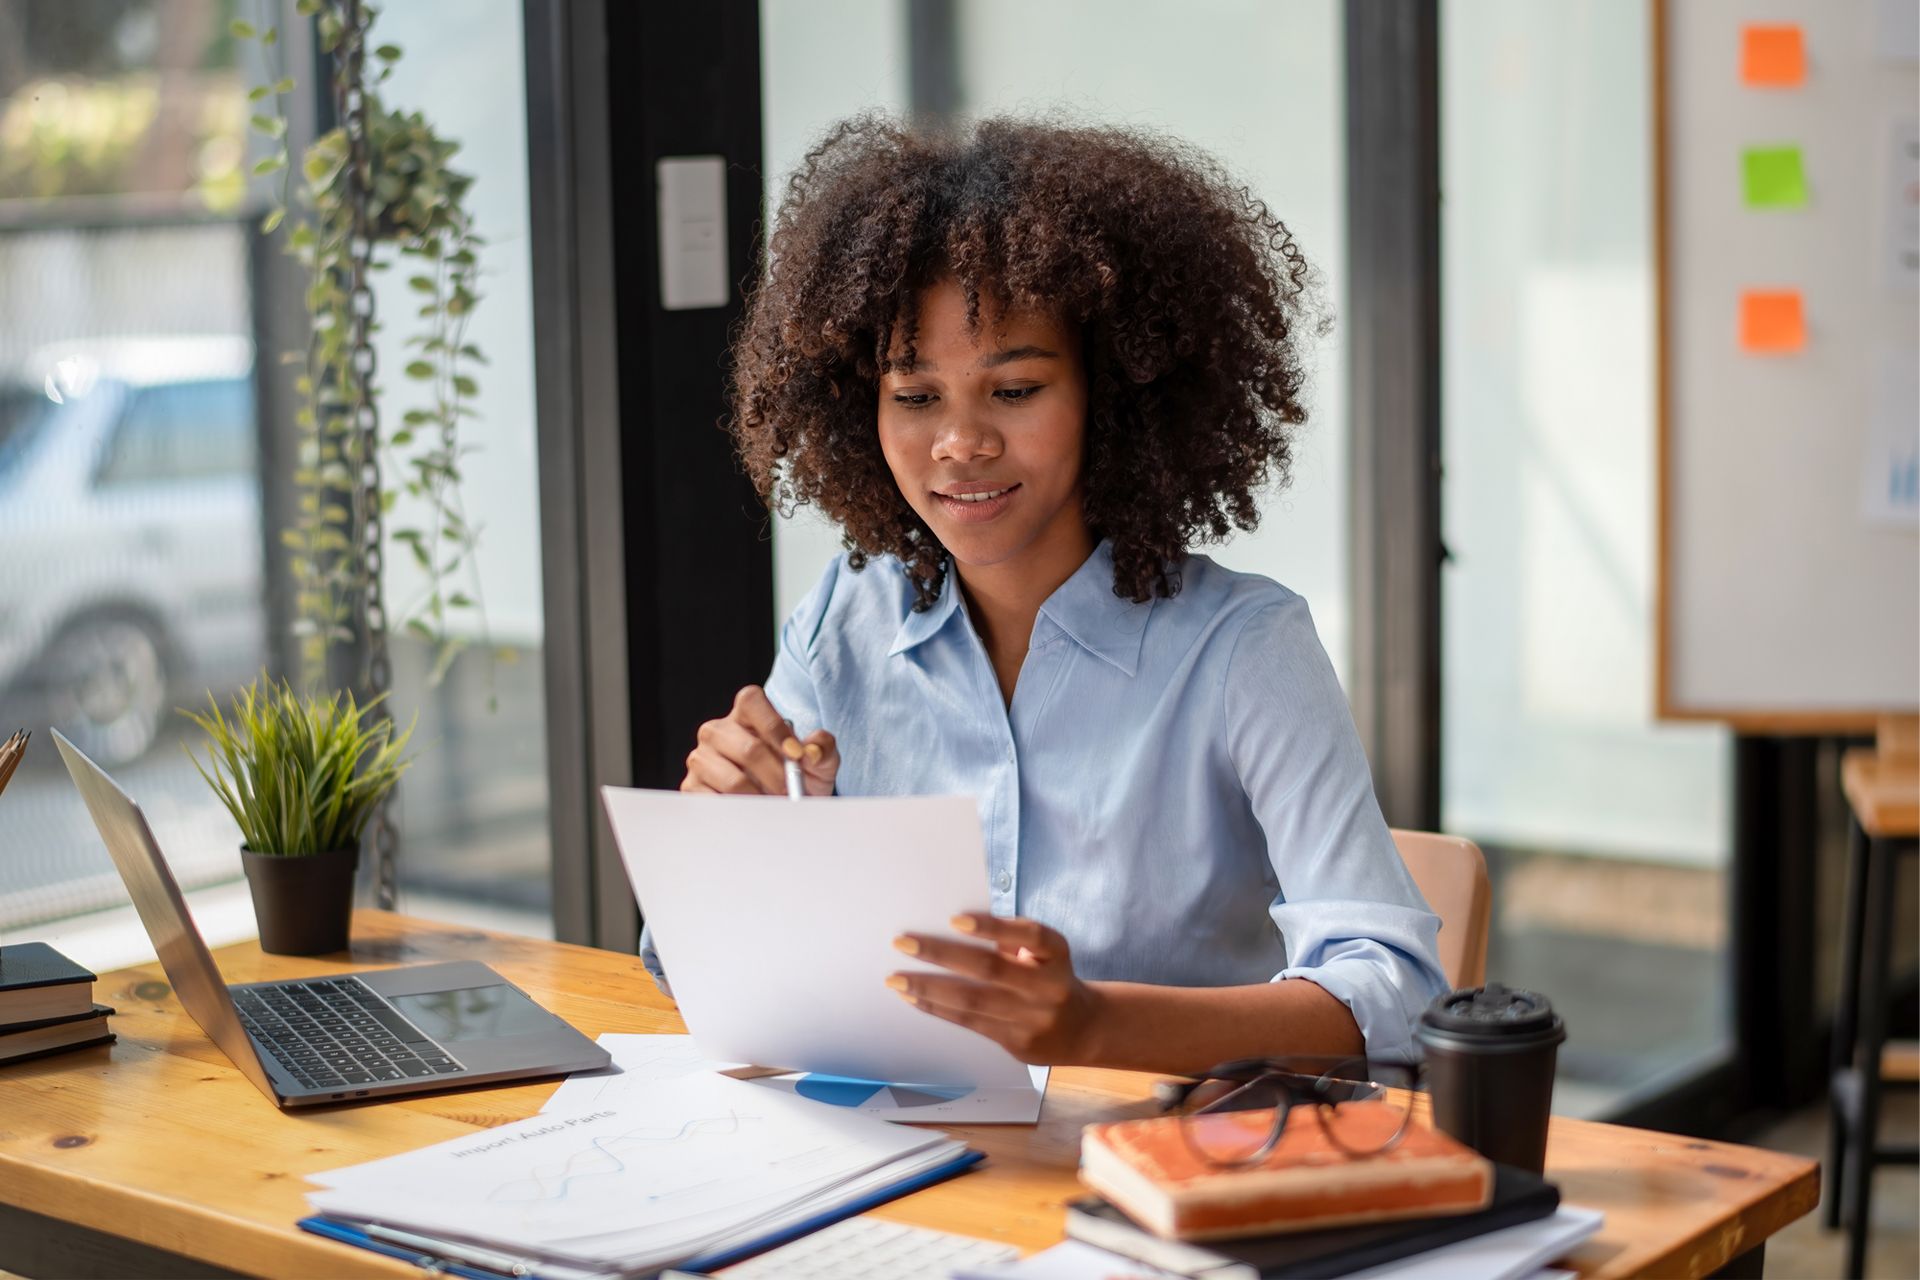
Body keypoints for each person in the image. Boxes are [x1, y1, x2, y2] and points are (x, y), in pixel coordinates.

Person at [660, 114, 1448, 1076]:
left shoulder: (1245, 648)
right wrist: (732, 837)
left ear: (1112, 395)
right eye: (915, 398)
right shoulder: (846, 617)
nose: (960, 443)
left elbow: (1398, 992)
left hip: (1152, 1175)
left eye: (1016, 390)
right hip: (907, 1161)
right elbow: (715, 977)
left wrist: (1095, 1026)